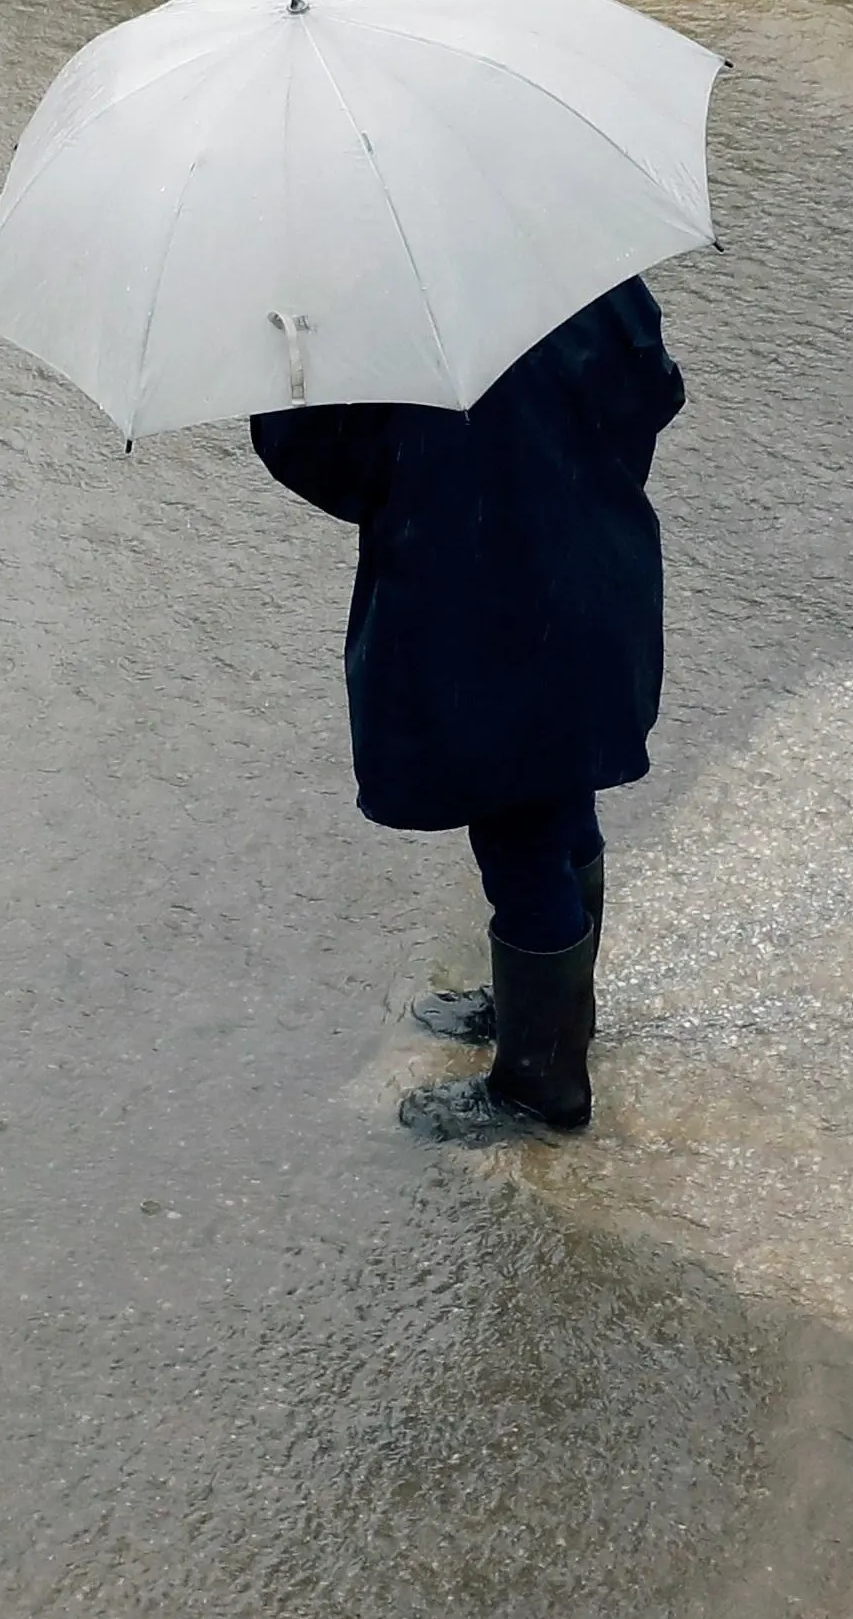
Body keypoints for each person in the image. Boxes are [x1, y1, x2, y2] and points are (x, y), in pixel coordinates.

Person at [246, 277, 684, 1144]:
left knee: (516, 826)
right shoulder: (577, 269)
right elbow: (656, 390)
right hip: (595, 573)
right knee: (562, 790)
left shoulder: (370, 312)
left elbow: (320, 458)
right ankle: (555, 1010)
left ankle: (541, 1083)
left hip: (480, 602)